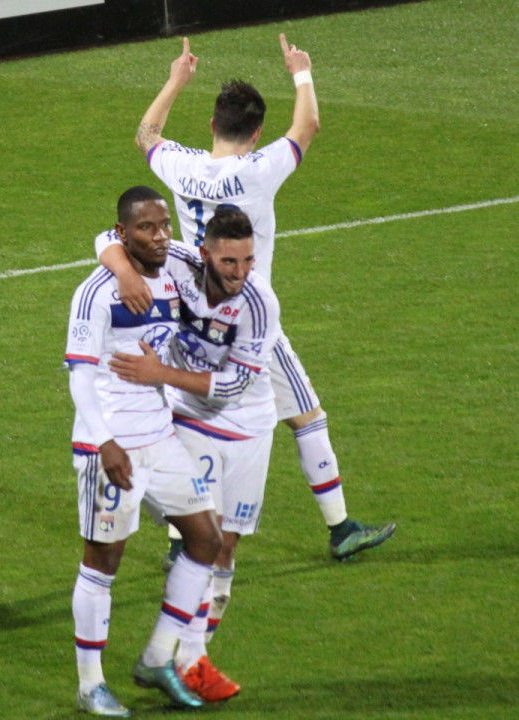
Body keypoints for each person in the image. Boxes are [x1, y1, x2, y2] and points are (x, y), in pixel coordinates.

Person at [118, 33, 395, 561]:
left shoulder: (181, 166)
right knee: (306, 416)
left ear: (212, 126)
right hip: (250, 322)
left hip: (192, 321)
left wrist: (177, 79)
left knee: (195, 424)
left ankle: (182, 540)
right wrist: (301, 72)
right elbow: (308, 125)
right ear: (257, 131)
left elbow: (146, 134)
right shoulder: (257, 171)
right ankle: (340, 530)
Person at [103, 204, 281, 703]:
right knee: (202, 533)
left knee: (225, 545)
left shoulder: (260, 304)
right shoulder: (178, 259)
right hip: (189, 418)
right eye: (229, 263)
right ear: (205, 255)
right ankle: (182, 657)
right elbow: (105, 237)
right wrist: (122, 271)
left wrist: (160, 374)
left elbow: (233, 384)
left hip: (248, 425)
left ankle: (189, 654)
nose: (241, 273)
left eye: (248, 261)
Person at [66, 186, 224, 716]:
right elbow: (81, 377)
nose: (160, 236)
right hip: (111, 445)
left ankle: (158, 657)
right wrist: (105, 443)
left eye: (164, 226)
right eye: (146, 229)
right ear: (122, 234)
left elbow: (208, 256)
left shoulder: (176, 262)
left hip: (160, 436)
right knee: (103, 561)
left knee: (206, 538)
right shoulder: (96, 294)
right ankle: (91, 686)